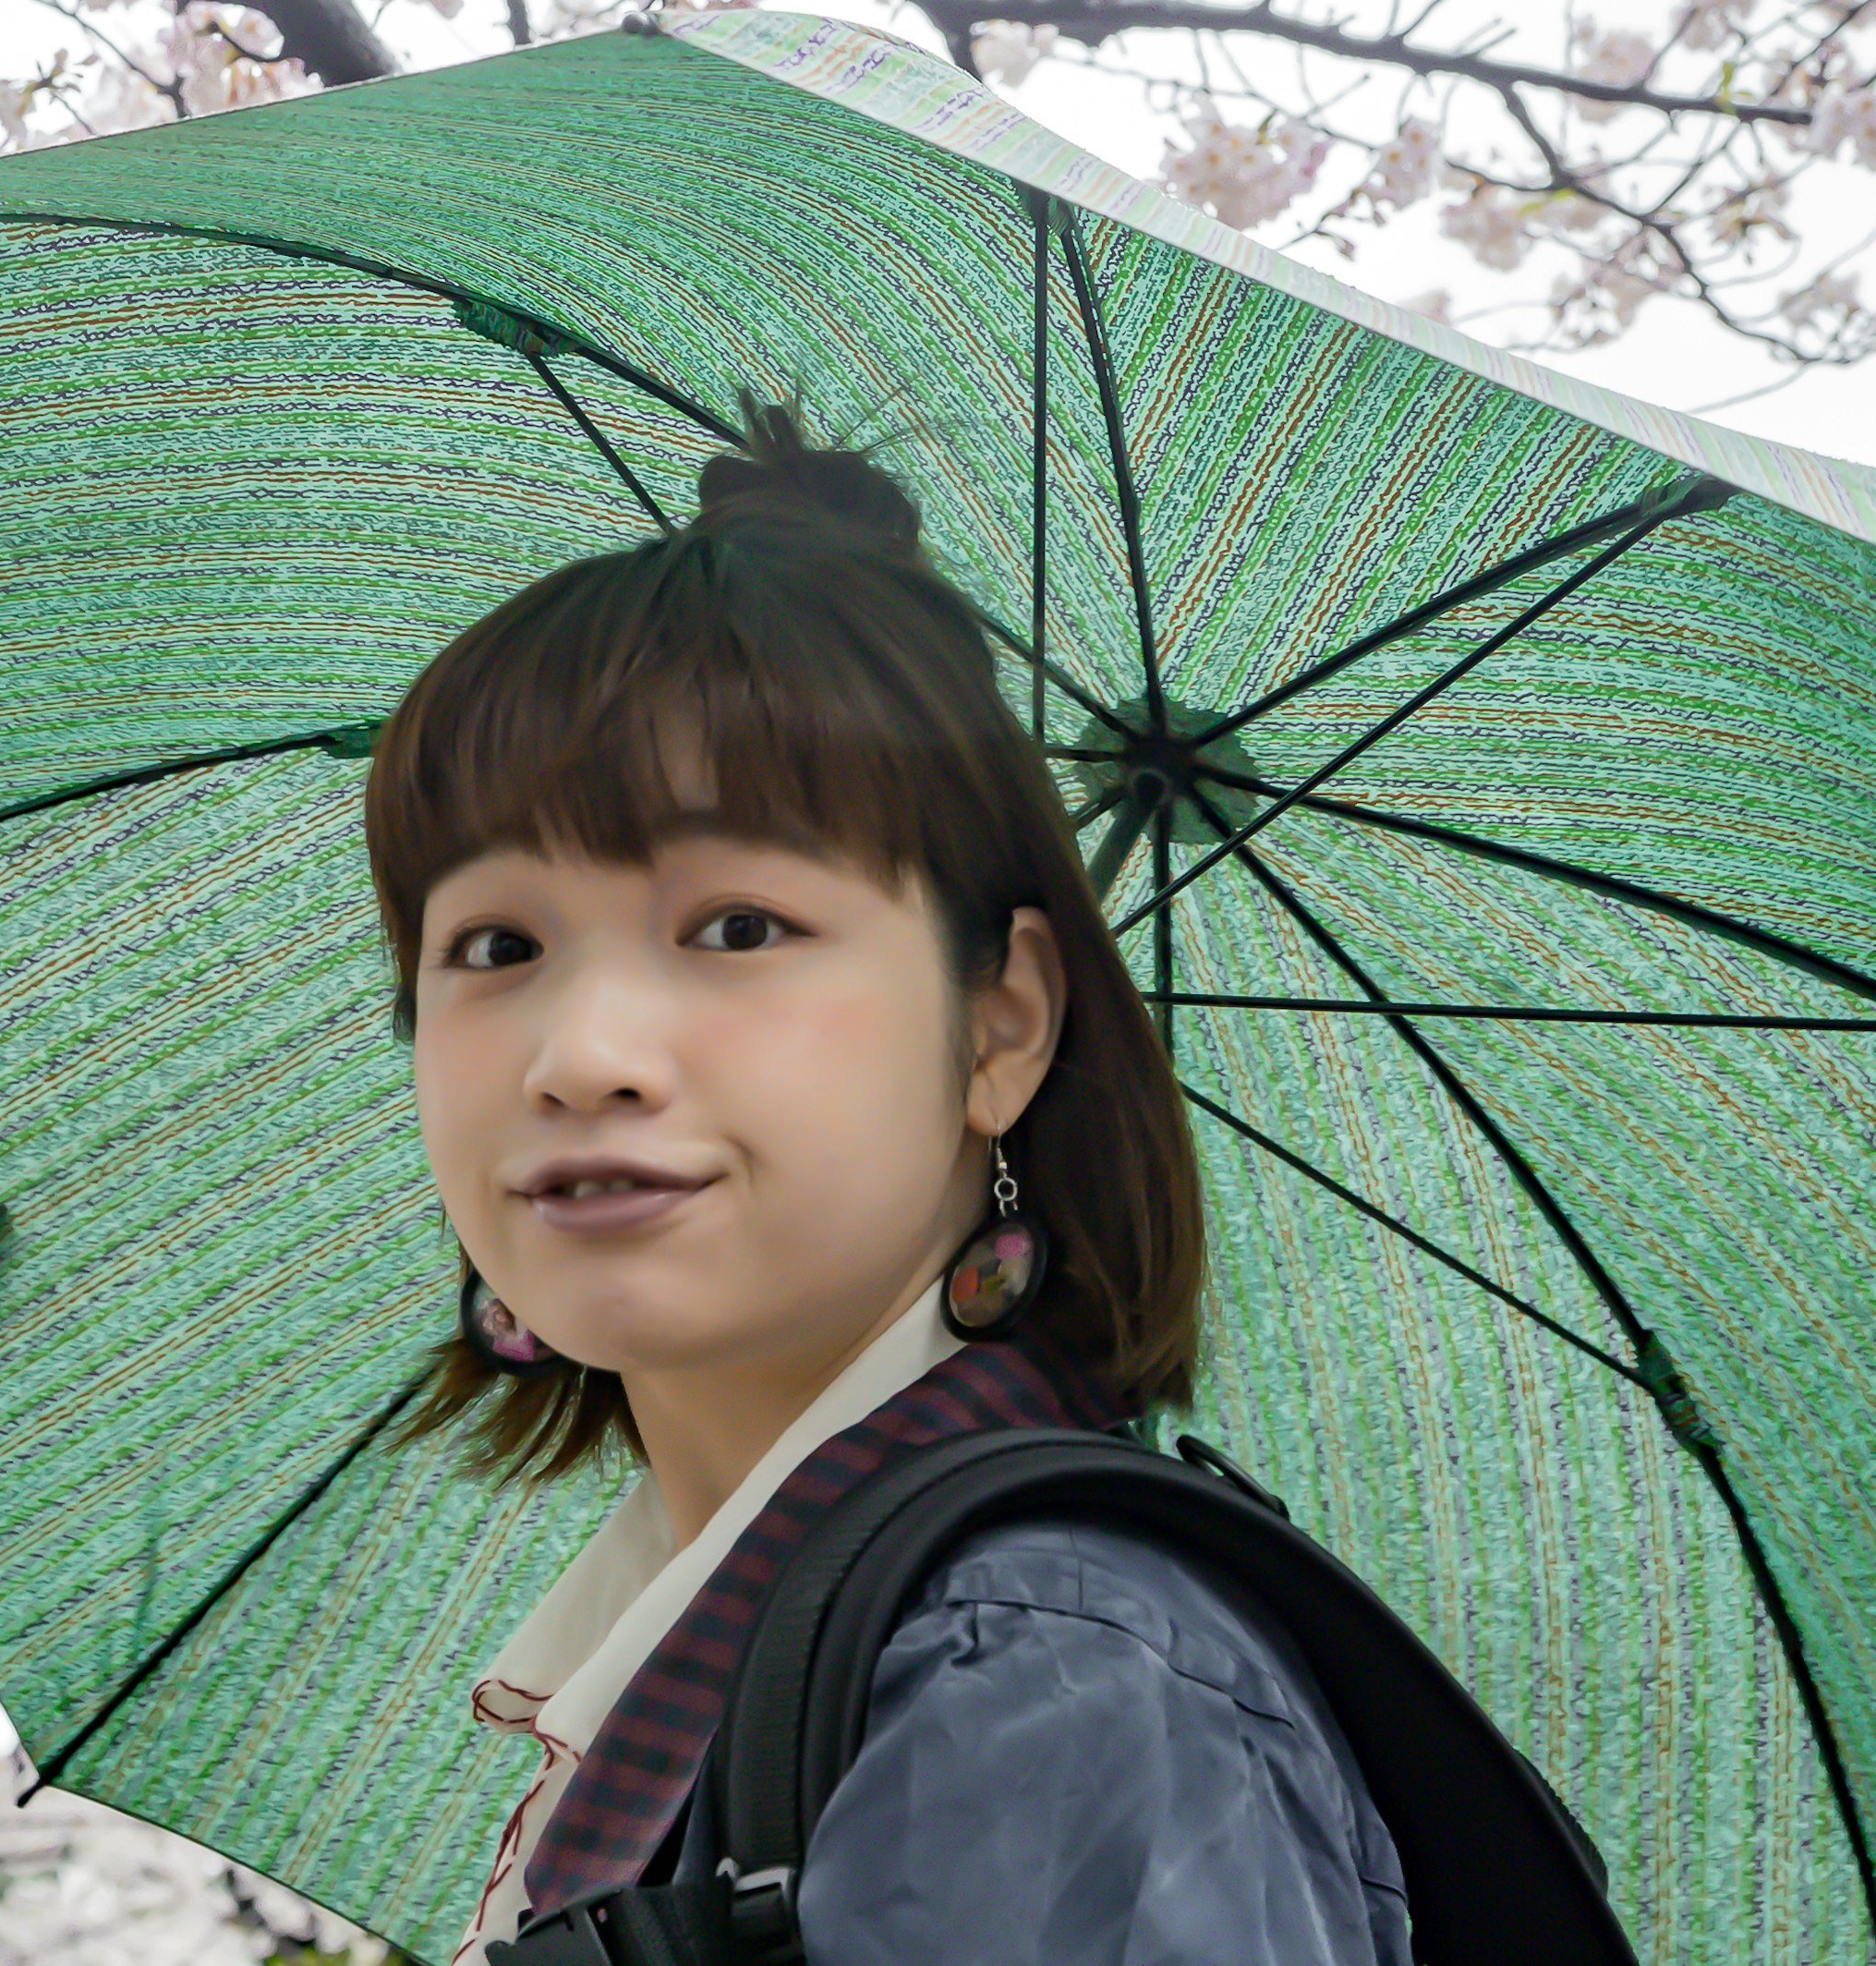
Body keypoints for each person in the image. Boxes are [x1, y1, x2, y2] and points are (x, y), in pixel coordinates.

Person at [366, 402, 1414, 1966]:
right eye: (496, 946)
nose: (580, 1056)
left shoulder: (1046, 1671)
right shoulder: (778, 1665)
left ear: (999, 1025)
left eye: (736, 928)